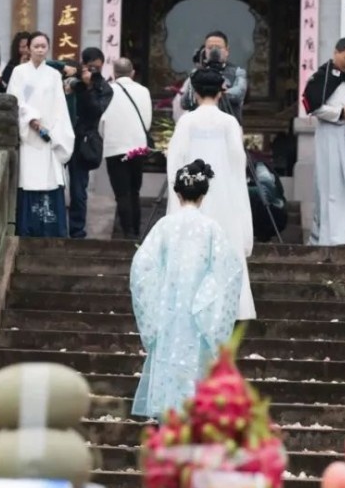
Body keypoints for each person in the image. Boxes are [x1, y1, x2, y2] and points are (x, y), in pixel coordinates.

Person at [129, 160, 244, 419]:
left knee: (168, 361)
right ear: (203, 194)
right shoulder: (212, 228)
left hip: (168, 312)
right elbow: (229, 271)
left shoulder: (164, 226)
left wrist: (158, 299)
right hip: (199, 315)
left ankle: (167, 420)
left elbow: (142, 267)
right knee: (197, 365)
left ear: (177, 192)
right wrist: (205, 302)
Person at [167, 68, 255, 321]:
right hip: (225, 193)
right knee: (225, 244)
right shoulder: (229, 123)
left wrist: (179, 200)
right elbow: (238, 165)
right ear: (221, 92)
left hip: (192, 197)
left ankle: (191, 305)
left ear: (193, 92)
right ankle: (230, 306)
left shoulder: (186, 121)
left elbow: (175, 163)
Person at [5, 31, 75, 237]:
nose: (39, 49)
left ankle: (51, 229)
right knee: (28, 179)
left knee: (49, 179)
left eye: (43, 46)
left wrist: (52, 131)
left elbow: (59, 107)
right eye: (36, 46)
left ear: (48, 48)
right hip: (28, 134)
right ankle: (28, 228)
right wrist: (30, 120)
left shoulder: (54, 75)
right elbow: (14, 100)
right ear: (29, 48)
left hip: (48, 136)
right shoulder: (19, 72)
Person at [302, 37, 345, 246]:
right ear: (336, 52)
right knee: (331, 184)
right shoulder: (322, 77)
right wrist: (340, 113)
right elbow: (313, 106)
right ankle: (330, 236)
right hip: (329, 134)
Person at [101, 58, 153, 239]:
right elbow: (147, 122)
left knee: (121, 193)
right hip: (137, 146)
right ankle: (136, 229)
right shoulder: (143, 91)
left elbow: (101, 122)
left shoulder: (107, 91)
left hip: (114, 147)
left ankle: (127, 231)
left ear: (114, 73)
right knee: (134, 190)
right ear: (132, 73)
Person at [67, 47, 113, 239]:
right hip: (61, 135)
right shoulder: (73, 81)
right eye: (90, 67)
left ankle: (77, 232)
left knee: (78, 190)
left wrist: (88, 88)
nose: (93, 71)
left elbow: (96, 111)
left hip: (83, 142)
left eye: (97, 68)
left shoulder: (104, 88)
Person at [179, 32, 248, 124]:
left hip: (228, 126)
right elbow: (185, 103)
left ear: (227, 51)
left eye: (219, 48)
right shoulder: (196, 73)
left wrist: (206, 91)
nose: (214, 51)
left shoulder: (238, 72)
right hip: (200, 125)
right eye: (210, 48)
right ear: (204, 51)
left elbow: (238, 95)